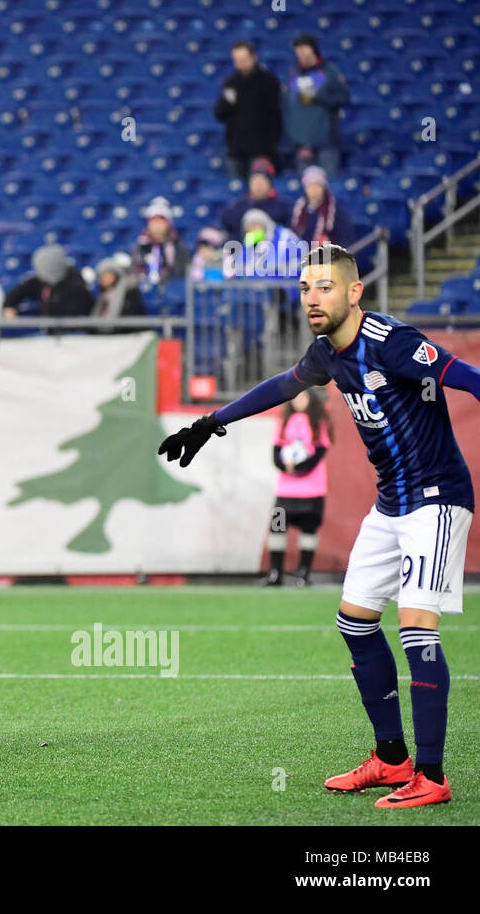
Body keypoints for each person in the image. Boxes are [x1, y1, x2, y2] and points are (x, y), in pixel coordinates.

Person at [159, 243, 480, 808]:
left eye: (325, 286)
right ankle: (391, 758)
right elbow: (282, 386)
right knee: (355, 623)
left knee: (416, 631)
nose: (312, 297)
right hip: (389, 505)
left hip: (436, 498)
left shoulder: (393, 343)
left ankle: (431, 775)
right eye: (306, 287)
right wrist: (211, 421)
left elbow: (467, 377)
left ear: (355, 292)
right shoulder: (327, 353)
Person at [264, 387, 332, 587]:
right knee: (276, 528)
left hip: (312, 490)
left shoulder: (319, 424)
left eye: (302, 397)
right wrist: (284, 465)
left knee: (309, 530)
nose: (298, 401)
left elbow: (320, 452)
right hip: (284, 492)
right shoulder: (283, 422)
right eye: (295, 397)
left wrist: (300, 467)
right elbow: (275, 452)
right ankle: (275, 573)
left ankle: (304, 574)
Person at [213, 40, 283, 179]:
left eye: (244, 59)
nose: (241, 64)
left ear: (254, 57)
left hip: (261, 149)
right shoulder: (231, 83)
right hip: (236, 149)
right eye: (237, 60)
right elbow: (219, 114)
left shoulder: (268, 81)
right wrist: (227, 102)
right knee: (234, 191)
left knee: (259, 191)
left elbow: (275, 115)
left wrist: (271, 145)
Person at [283, 33, 350, 176]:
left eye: (304, 48)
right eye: (298, 50)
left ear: (313, 49)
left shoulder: (329, 71)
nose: (301, 53)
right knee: (308, 189)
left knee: (328, 186)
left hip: (326, 142)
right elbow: (289, 104)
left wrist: (320, 97)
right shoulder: (293, 73)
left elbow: (344, 98)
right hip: (302, 143)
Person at [4, 243, 93, 320]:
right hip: (51, 334)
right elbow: (18, 293)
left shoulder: (75, 286)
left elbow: (70, 318)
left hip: (73, 335)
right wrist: (8, 306)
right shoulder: (40, 281)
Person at [218, 158, 292, 237]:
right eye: (255, 181)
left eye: (262, 181)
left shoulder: (282, 206)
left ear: (270, 185)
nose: (258, 185)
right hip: (242, 247)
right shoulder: (238, 206)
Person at [290, 165, 355, 249]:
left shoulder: (336, 212)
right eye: (310, 186)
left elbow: (346, 241)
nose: (313, 190)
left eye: (317, 186)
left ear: (324, 188)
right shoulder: (298, 210)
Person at [131, 196, 189, 287]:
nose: (157, 226)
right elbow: (134, 269)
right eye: (154, 222)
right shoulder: (141, 246)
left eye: (161, 222)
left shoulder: (177, 246)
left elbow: (181, 273)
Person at [90, 254, 144, 323]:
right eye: (102, 276)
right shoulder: (101, 297)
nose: (104, 279)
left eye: (108, 275)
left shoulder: (129, 293)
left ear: (115, 276)